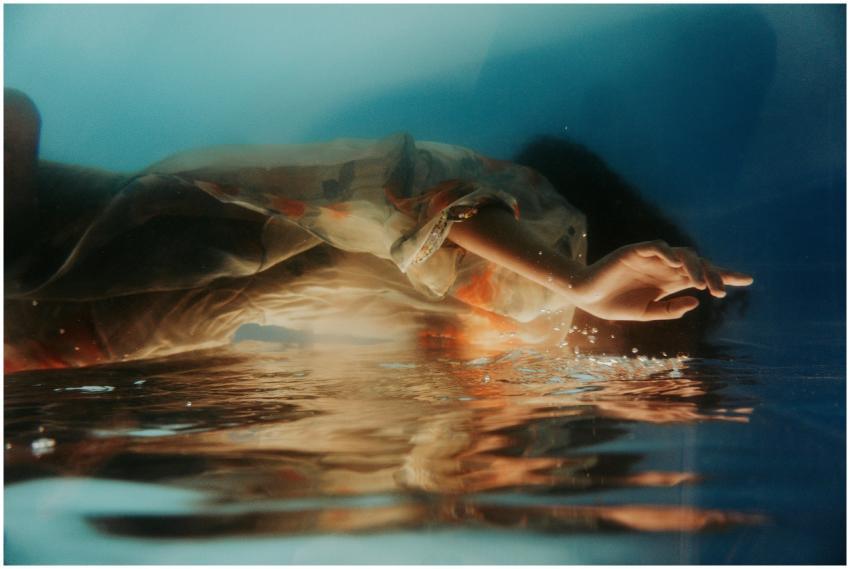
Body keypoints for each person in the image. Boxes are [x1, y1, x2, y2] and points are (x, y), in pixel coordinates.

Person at [4, 89, 752, 372]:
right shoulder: (547, 274)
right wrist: (578, 281)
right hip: (151, 266)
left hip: (155, 292)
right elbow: (427, 196)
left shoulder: (520, 324)